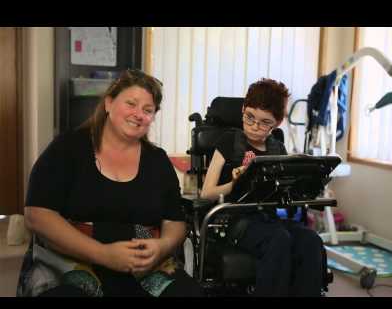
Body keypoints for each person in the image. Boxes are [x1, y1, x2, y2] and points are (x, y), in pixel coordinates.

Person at [17, 69, 203, 297]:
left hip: (143, 266)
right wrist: (103, 254)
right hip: (72, 260)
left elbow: (175, 221)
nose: (139, 114)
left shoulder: (158, 160)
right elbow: (37, 215)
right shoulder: (67, 148)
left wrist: (162, 246)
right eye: (131, 104)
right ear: (108, 103)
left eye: (148, 110)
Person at [201, 78, 327, 297]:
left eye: (264, 122)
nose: (254, 126)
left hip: (268, 220)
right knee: (278, 239)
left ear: (276, 123)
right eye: (249, 117)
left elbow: (285, 194)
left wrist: (305, 183)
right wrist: (233, 184)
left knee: (310, 240)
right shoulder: (228, 142)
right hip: (234, 221)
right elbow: (206, 192)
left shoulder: (277, 148)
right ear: (243, 109)